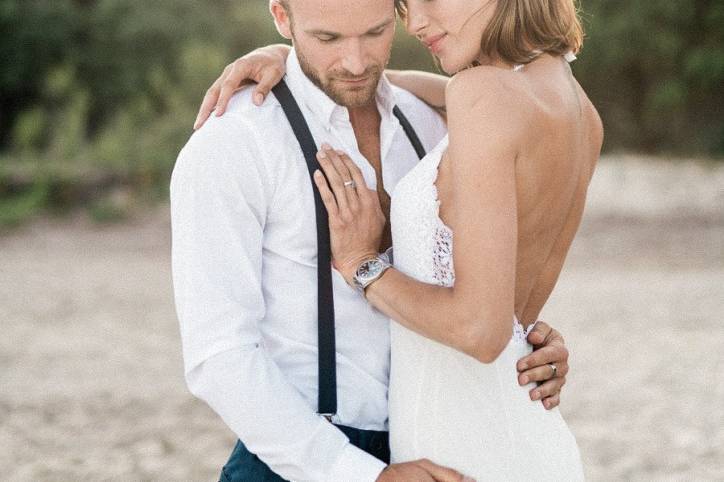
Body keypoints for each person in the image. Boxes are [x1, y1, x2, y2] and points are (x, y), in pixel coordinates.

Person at [172, 0, 579, 480]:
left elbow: (463, 283)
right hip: (305, 462)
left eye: (375, 32)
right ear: (282, 18)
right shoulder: (235, 142)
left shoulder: (433, 125)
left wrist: (523, 338)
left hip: (437, 443)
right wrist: (361, 475)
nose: (356, 62)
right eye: (328, 39)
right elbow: (219, 356)